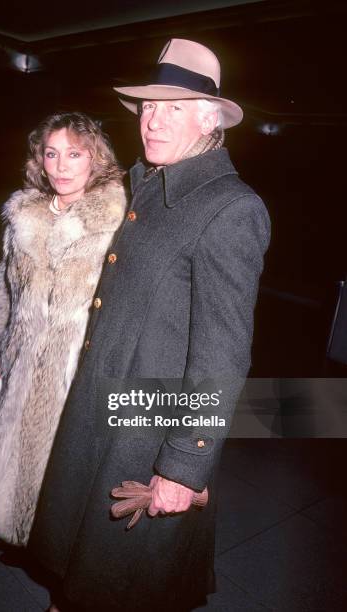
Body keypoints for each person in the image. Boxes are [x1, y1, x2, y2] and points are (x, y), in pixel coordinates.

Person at [28, 39, 271, 611]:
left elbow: (224, 355)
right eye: (148, 107)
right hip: (101, 409)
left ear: (209, 119)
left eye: (174, 107)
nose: (153, 121)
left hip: (146, 430)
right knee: (85, 569)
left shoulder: (230, 208)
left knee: (123, 581)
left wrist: (184, 465)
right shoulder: (149, 186)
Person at [0, 112, 126, 547]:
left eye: (74, 154)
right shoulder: (24, 213)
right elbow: (6, 286)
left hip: (75, 368)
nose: (61, 166)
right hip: (22, 357)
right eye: (51, 154)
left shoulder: (114, 220)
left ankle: (48, 543)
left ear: (96, 158)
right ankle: (13, 528)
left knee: (59, 468)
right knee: (11, 448)